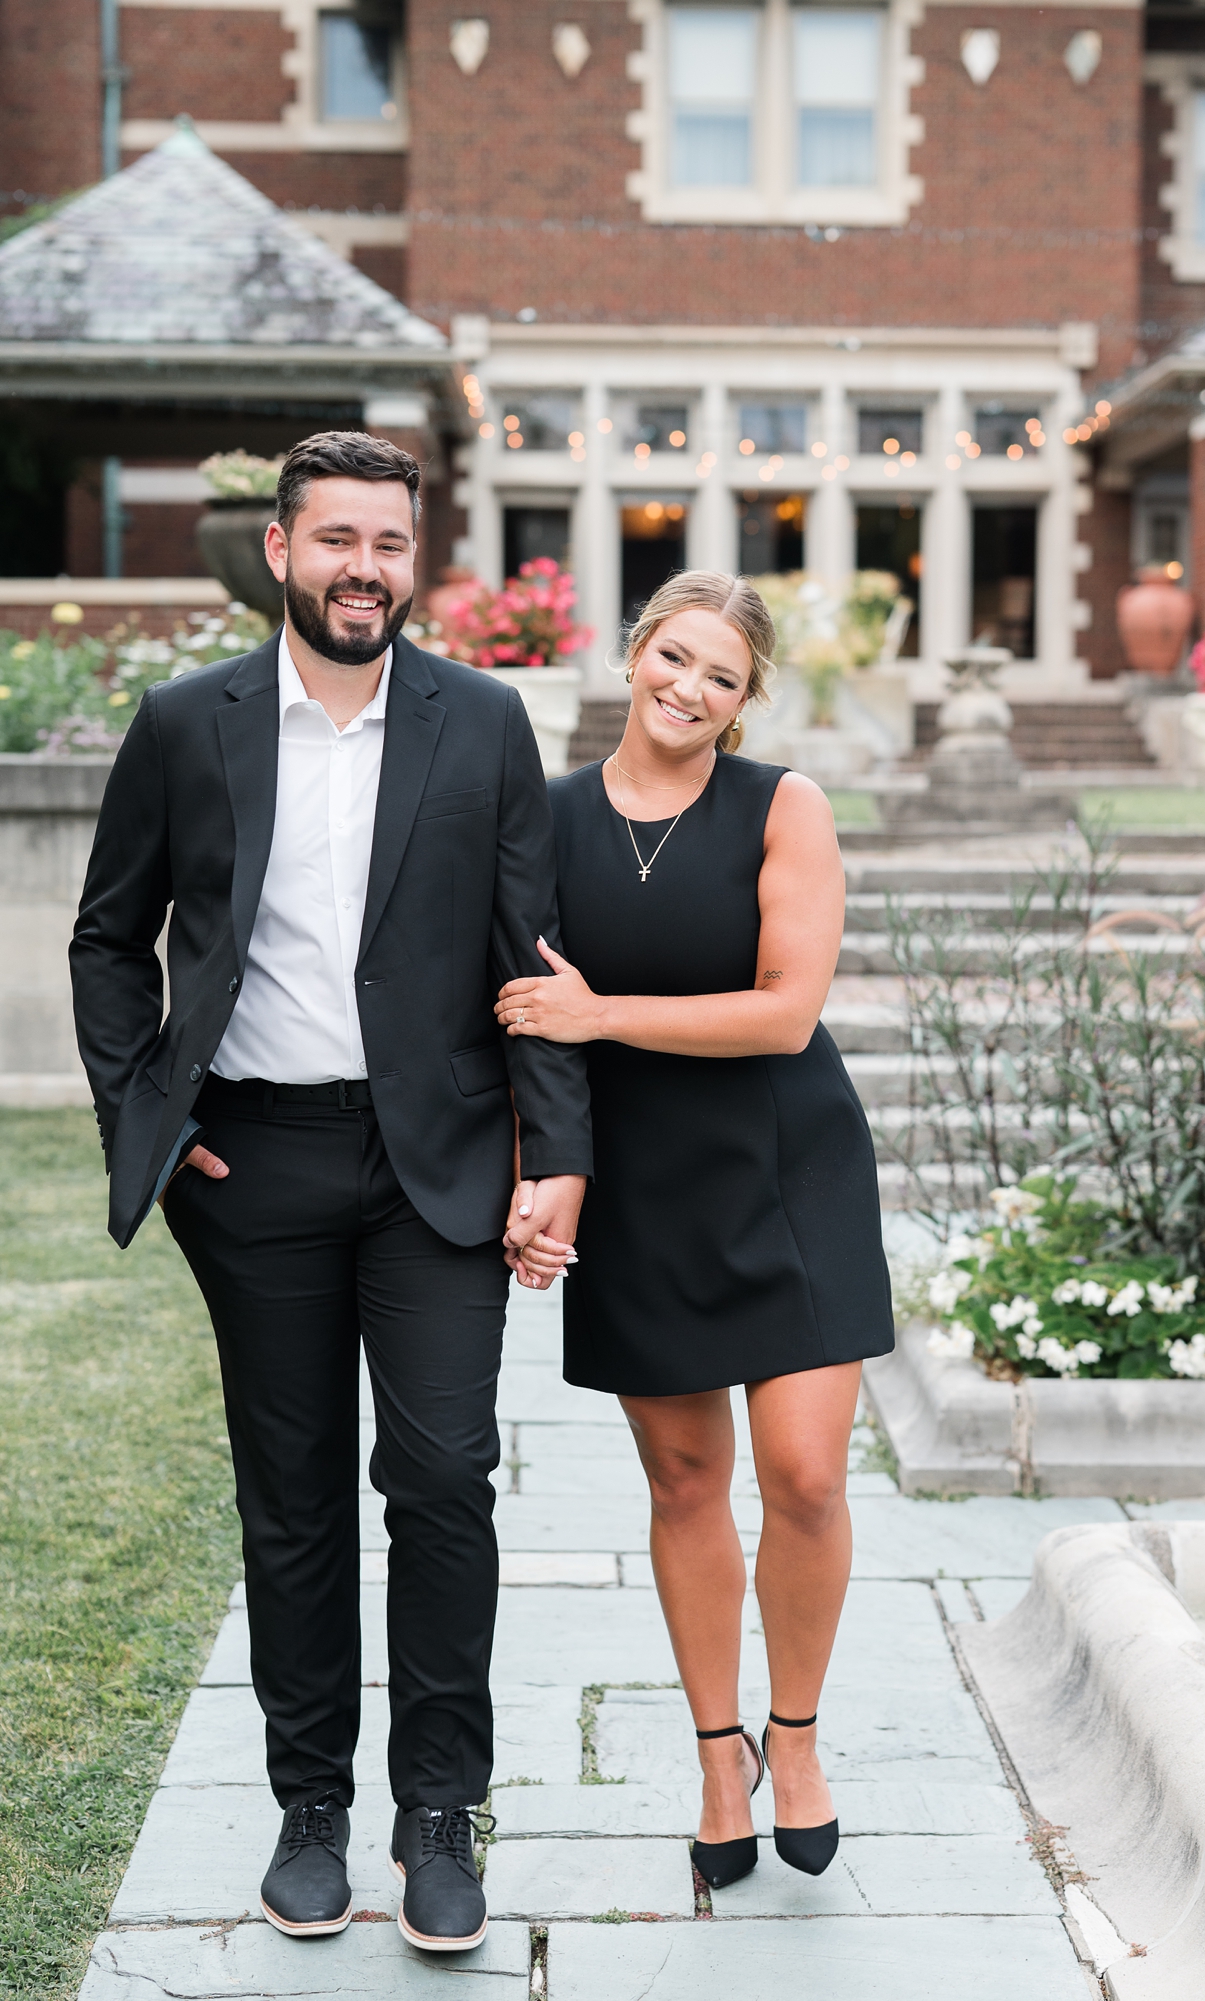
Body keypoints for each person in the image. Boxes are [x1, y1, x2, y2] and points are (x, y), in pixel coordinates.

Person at [69, 431, 591, 1952]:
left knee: (441, 1483)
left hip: (435, 1165)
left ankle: (438, 1816)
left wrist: (553, 1154)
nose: (366, 565)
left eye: (390, 540)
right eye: (338, 538)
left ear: (412, 559)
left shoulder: (485, 722)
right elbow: (111, 938)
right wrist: (150, 1129)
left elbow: (532, 958)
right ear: (283, 550)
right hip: (255, 1163)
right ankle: (313, 1808)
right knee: (290, 1504)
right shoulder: (186, 724)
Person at [495, 570, 893, 1890]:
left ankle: (799, 1731)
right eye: (675, 657)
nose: (690, 689)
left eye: (722, 676)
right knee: (681, 1482)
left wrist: (602, 1013)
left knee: (808, 1475)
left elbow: (785, 1011)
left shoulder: (784, 806)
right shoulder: (540, 819)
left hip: (787, 1163)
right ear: (633, 653)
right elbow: (511, 1020)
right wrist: (549, 1171)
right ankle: (720, 1753)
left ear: (746, 696)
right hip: (640, 1179)